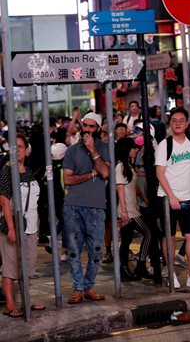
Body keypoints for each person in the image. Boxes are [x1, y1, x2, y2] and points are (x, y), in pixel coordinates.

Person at [155, 107, 190, 288]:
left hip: (189, 198)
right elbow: (160, 173)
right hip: (168, 198)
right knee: (168, 237)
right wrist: (172, 197)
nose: (177, 123)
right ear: (170, 123)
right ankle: (171, 274)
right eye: (174, 120)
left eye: (181, 120)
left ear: (187, 123)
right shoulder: (165, 145)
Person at [63, 112, 110, 304]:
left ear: (98, 129)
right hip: (73, 206)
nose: (88, 130)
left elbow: (105, 173)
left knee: (96, 250)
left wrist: (93, 151)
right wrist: (90, 174)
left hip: (96, 207)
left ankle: (88, 285)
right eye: (85, 126)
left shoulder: (104, 148)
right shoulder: (71, 151)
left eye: (92, 127)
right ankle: (78, 289)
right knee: (74, 250)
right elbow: (68, 179)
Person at [0, 133, 45, 317]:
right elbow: (3, 201)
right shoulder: (6, 171)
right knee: (10, 266)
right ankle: (10, 305)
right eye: (14, 147)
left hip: (31, 225)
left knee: (27, 265)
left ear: (26, 150)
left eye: (20, 146)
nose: (17, 150)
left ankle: (26, 298)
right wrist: (11, 228)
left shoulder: (28, 171)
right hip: (13, 225)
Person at [115, 138, 152, 281]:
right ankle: (139, 265)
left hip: (131, 209)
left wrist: (144, 198)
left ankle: (125, 268)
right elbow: (120, 189)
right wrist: (124, 212)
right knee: (148, 234)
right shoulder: (120, 166)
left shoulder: (128, 166)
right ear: (125, 149)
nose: (136, 149)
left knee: (127, 240)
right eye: (133, 147)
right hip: (128, 211)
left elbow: (133, 186)